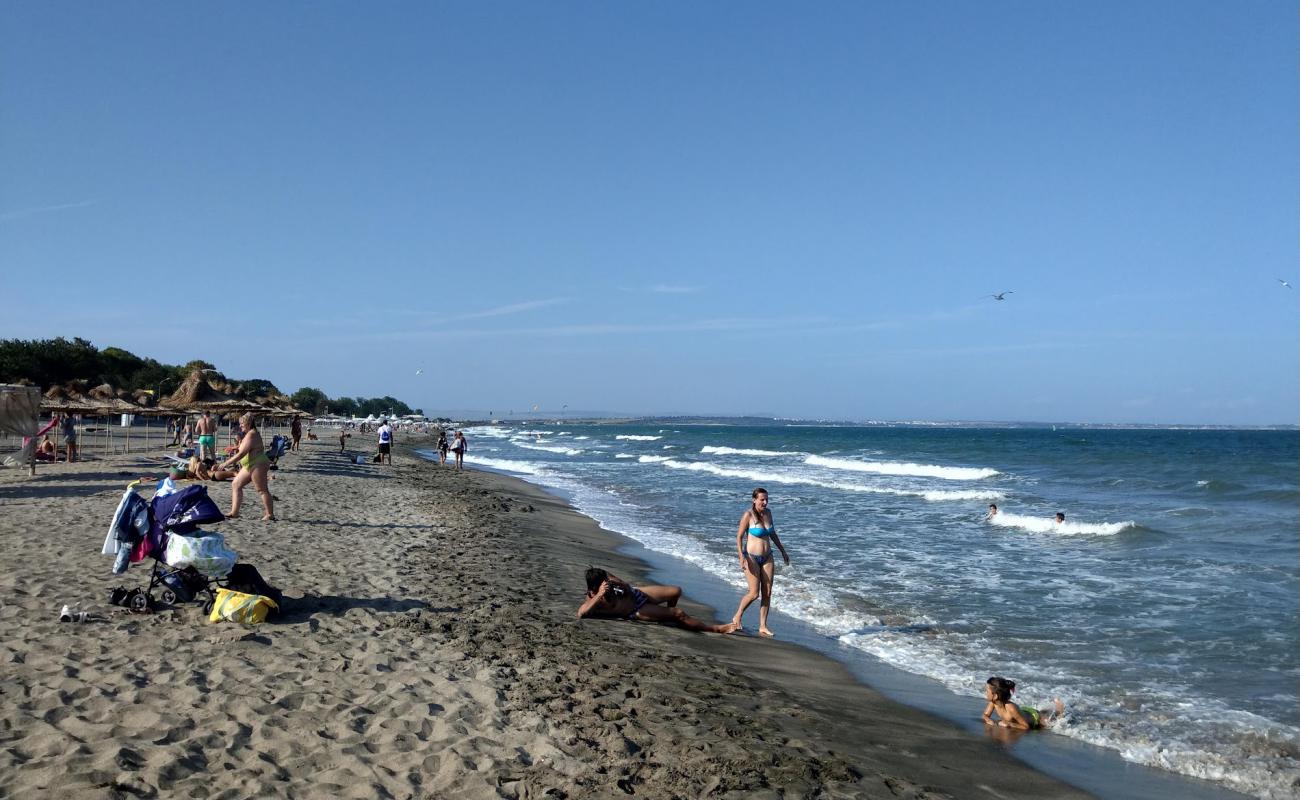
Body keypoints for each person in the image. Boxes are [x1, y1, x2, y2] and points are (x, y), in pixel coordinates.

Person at [577, 568, 739, 634]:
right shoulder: (594, 599)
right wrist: (600, 595)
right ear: (595, 587)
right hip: (635, 610)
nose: (607, 582)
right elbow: (581, 613)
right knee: (678, 612)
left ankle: (670, 619)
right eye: (604, 583)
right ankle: (716, 629)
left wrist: (617, 584)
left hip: (638, 594)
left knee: (676, 591)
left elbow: (626, 585)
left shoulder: (608, 579)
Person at [731, 487, 790, 636]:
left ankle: (763, 625)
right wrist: (741, 556)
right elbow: (738, 537)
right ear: (754, 500)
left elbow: (773, 534)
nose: (765, 502)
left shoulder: (768, 513)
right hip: (751, 557)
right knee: (754, 593)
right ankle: (737, 616)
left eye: (767, 499)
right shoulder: (748, 515)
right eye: (762, 499)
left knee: (767, 593)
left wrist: (782, 550)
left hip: (767, 557)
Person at [220, 413, 274, 521]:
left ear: (248, 423)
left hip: (258, 464)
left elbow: (241, 454)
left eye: (242, 424)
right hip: (249, 465)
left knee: (262, 490)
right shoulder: (249, 433)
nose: (240, 426)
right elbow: (243, 447)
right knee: (236, 484)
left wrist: (225, 464)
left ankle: (270, 514)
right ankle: (234, 512)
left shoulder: (252, 434)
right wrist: (234, 447)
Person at [982, 676, 1064, 730]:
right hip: (1024, 712)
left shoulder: (1010, 708)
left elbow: (1025, 726)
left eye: (987, 691)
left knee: (1053, 721)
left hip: (1035, 718)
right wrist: (988, 719)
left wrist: (1009, 724)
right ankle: (1052, 705)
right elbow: (985, 715)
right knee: (1043, 712)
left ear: (995, 696)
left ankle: (1059, 706)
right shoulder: (993, 703)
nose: (985, 692)